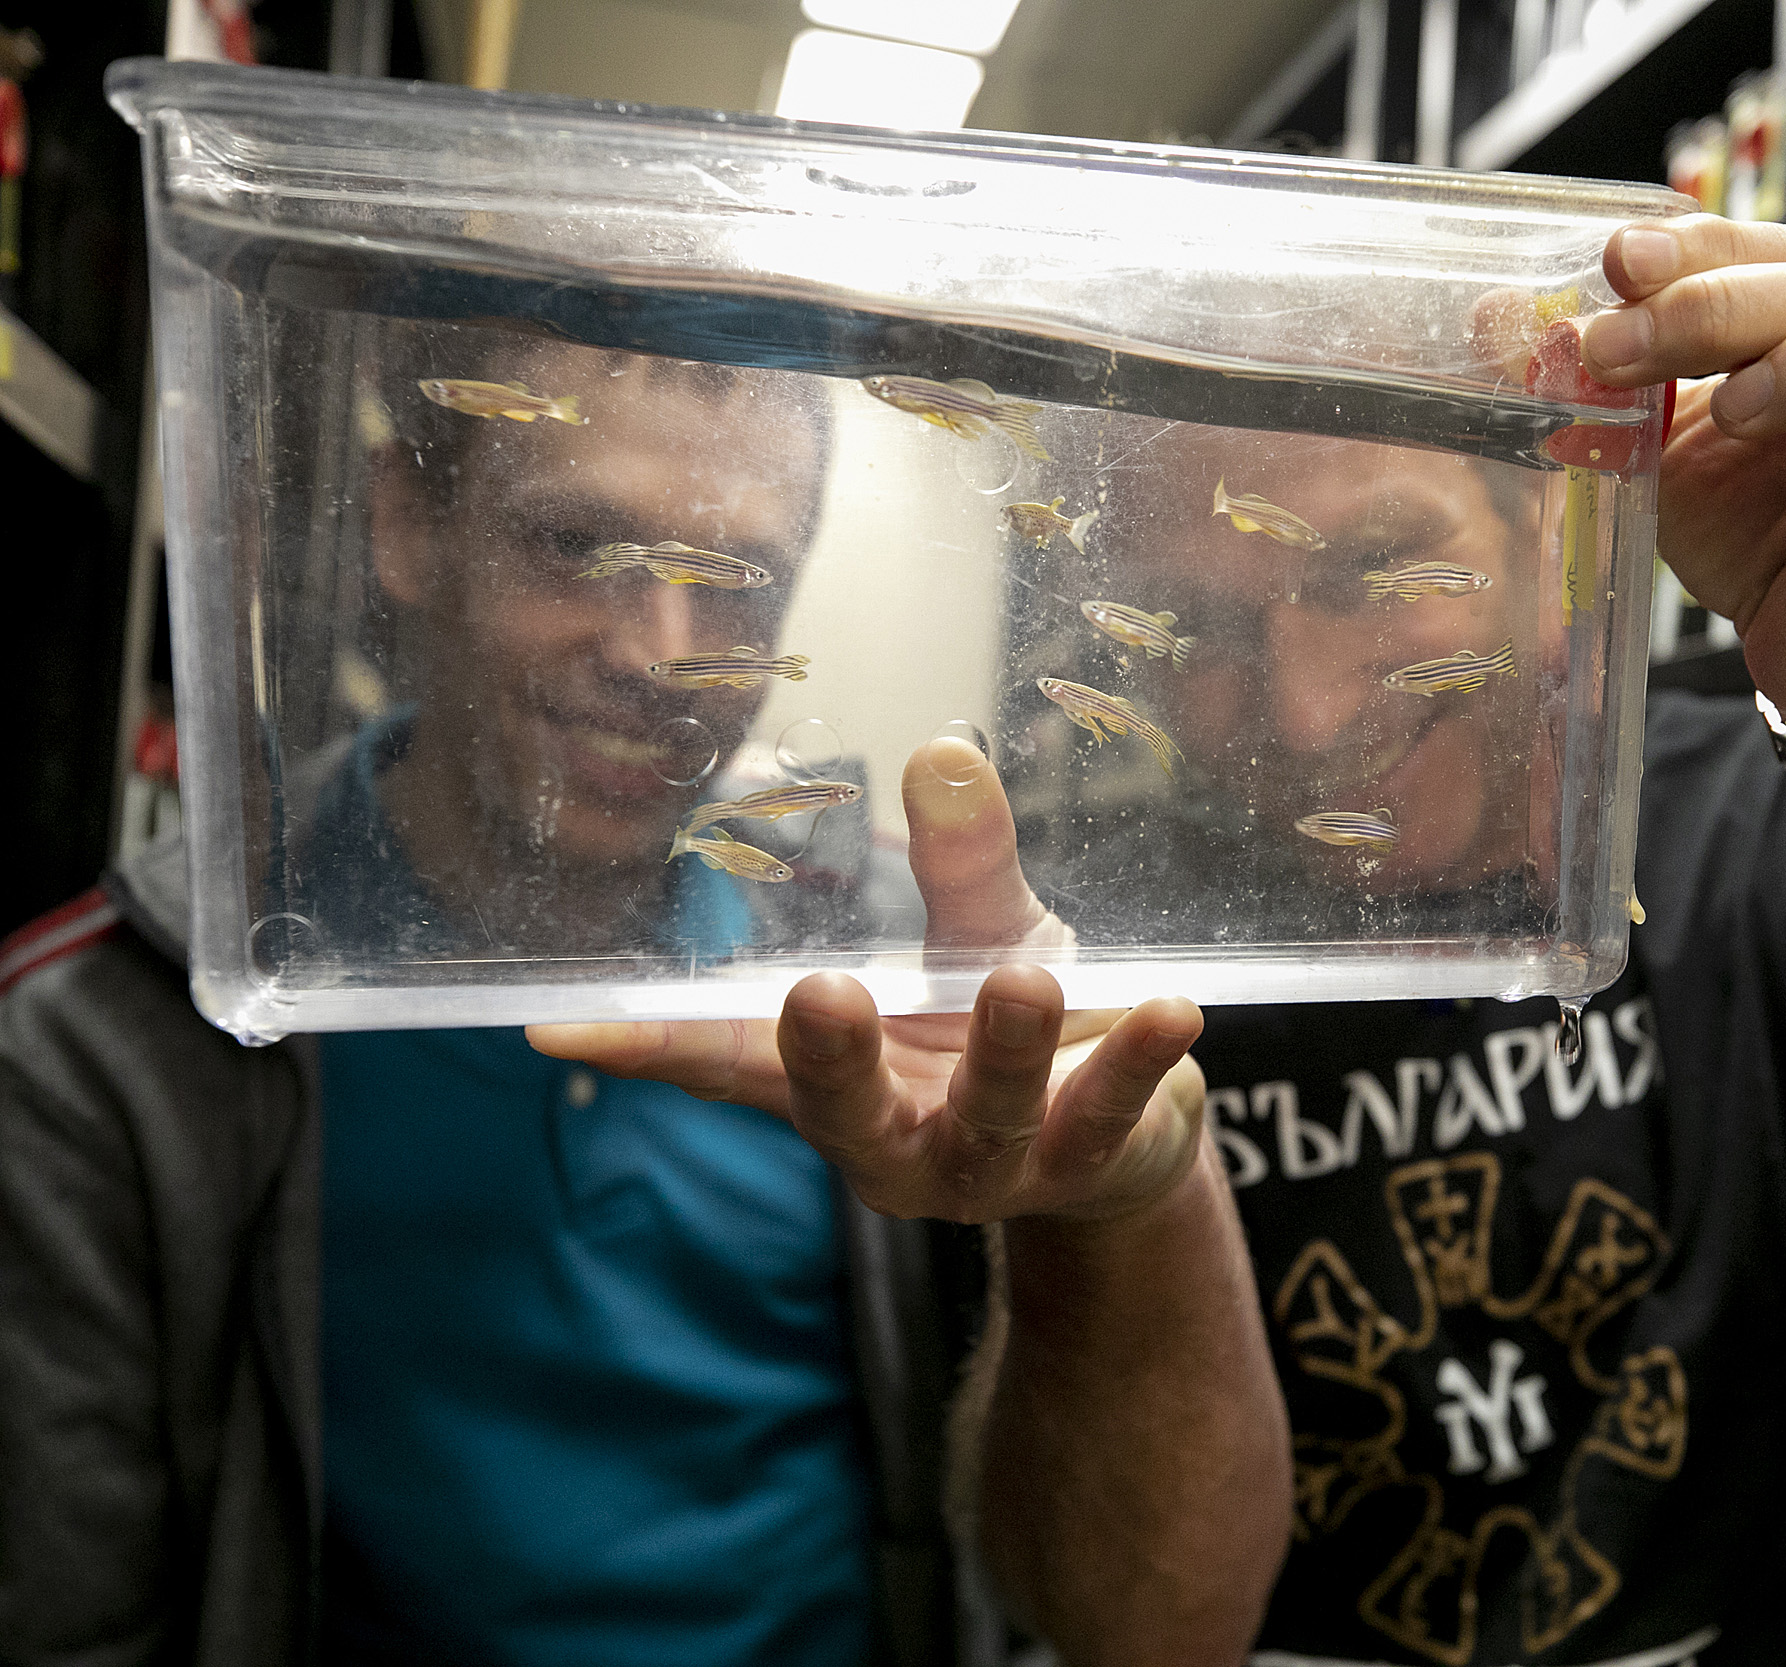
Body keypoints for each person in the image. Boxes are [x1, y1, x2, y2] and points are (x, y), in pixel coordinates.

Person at [548, 212, 1786, 1665]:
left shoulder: (1777, 823)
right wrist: (1121, 1203)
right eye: (1208, 631)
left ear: (1558, 530)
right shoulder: (1067, 950)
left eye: (1371, 573)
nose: (1301, 714)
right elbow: (1139, 1632)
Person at [0, 335, 1287, 1666]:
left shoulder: (910, 977)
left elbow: (1146, 1619)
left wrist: (1109, 1213)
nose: (662, 652)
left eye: (736, 586)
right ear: (404, 525)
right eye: (573, 544)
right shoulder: (113, 1042)